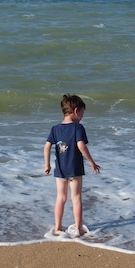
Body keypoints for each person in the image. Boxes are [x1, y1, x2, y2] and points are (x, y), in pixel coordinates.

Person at [44, 94, 101, 236]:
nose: (82, 116)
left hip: (60, 169)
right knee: (76, 197)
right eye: (82, 113)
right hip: (75, 169)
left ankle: (57, 227)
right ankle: (79, 228)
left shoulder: (54, 129)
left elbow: (46, 147)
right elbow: (81, 146)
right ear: (76, 111)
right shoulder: (78, 128)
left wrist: (47, 165)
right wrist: (91, 162)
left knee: (61, 198)